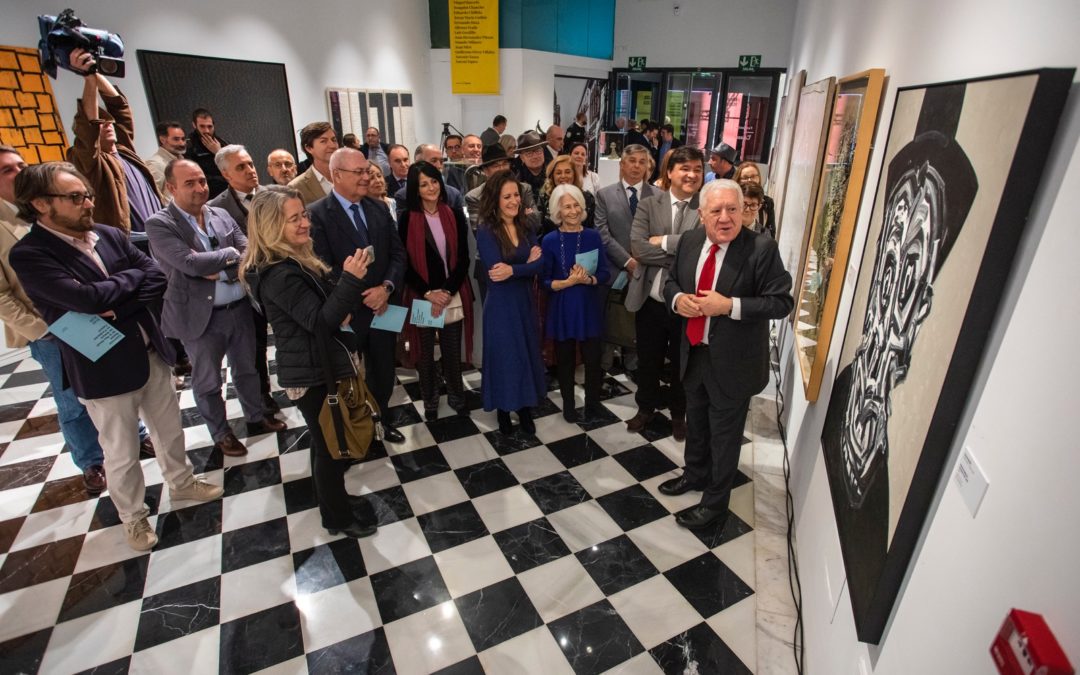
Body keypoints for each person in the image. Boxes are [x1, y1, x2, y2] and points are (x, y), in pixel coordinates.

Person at [11, 162, 222, 551]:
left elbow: (155, 276)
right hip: (102, 364)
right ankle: (134, 517)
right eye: (75, 197)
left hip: (149, 350)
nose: (87, 203)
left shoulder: (107, 233)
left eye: (87, 194)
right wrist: (119, 290)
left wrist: (113, 301)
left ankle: (183, 483)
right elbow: (84, 299)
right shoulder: (30, 254)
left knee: (170, 429)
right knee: (121, 450)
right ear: (41, 204)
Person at [242, 185, 378, 539]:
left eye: (304, 215)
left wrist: (341, 299)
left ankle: (336, 503)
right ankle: (336, 518)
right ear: (272, 226)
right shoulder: (279, 273)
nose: (305, 223)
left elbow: (324, 310)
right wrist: (350, 281)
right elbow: (320, 322)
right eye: (294, 219)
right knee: (330, 450)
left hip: (320, 364)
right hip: (312, 373)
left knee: (328, 446)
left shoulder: (295, 260)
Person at [661, 179, 793, 530]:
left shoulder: (761, 249)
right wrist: (678, 301)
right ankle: (694, 474)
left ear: (743, 212)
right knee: (697, 423)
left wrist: (728, 305)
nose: (725, 218)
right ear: (701, 214)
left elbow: (781, 302)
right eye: (716, 210)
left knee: (725, 436)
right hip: (694, 353)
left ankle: (715, 504)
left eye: (732, 209)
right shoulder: (690, 241)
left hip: (733, 363)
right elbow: (670, 282)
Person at [146, 159, 285, 458]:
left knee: (247, 369)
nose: (200, 188)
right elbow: (189, 263)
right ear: (171, 188)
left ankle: (255, 416)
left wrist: (222, 266)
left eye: (202, 181)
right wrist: (230, 257)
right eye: (190, 183)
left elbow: (250, 250)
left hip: (239, 308)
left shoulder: (220, 214)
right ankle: (221, 433)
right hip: (199, 318)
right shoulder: (159, 224)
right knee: (208, 381)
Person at [0, 146, 114, 494]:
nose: (19, 171)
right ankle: (91, 461)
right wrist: (44, 330)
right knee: (72, 398)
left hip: (89, 314)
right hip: (49, 328)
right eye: (7, 169)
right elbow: (2, 296)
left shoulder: (51, 210)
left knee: (114, 381)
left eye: (21, 164)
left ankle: (136, 435)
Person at [310, 148, 408, 443]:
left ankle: (383, 419)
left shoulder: (378, 208)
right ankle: (354, 429)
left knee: (384, 367)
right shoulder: (317, 214)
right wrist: (354, 299)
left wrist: (386, 288)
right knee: (349, 374)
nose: (367, 177)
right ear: (336, 175)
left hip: (384, 305)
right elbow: (323, 268)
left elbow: (398, 254)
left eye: (368, 171)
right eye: (359, 172)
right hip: (349, 312)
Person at [627, 146, 705, 442]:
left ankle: (678, 414)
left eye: (697, 169)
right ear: (669, 172)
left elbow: (700, 252)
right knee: (648, 359)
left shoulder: (705, 207)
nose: (692, 175)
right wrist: (678, 251)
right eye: (685, 168)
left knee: (682, 363)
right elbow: (638, 248)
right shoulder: (649, 204)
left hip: (687, 302)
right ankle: (645, 408)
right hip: (651, 298)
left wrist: (662, 242)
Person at [398, 162, 474, 421]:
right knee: (425, 353)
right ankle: (430, 400)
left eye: (433, 181)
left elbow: (464, 259)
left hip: (451, 294)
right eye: (423, 184)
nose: (430, 187)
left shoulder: (453, 214)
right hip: (422, 297)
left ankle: (456, 395)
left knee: (453, 352)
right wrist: (429, 292)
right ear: (415, 189)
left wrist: (447, 290)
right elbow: (404, 263)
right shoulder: (407, 218)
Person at [475, 171, 545, 435]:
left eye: (516, 195)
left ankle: (524, 408)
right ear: (495, 200)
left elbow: (542, 263)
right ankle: (504, 410)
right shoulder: (486, 230)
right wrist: (526, 265)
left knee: (525, 354)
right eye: (507, 196)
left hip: (524, 303)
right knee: (506, 358)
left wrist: (515, 270)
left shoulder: (527, 225)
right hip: (501, 307)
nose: (514, 201)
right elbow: (496, 273)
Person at [65, 48, 162, 234]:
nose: (108, 125)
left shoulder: (124, 150)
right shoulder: (91, 164)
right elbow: (88, 126)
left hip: (160, 235)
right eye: (102, 124)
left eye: (110, 122)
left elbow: (119, 106)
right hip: (131, 241)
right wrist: (88, 80)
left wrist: (94, 72)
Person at [541, 184, 608, 422]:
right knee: (566, 360)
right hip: (562, 307)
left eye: (576, 205)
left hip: (589, 305)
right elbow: (545, 282)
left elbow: (605, 274)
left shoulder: (593, 236)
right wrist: (568, 282)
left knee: (592, 359)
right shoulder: (548, 240)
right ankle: (568, 406)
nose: (572, 211)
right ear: (557, 210)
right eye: (567, 206)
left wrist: (588, 279)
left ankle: (593, 404)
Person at [595, 144, 659, 376]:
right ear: (622, 164)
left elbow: (661, 233)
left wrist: (641, 260)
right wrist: (627, 261)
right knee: (611, 317)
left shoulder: (658, 196)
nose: (636, 166)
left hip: (647, 269)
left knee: (638, 319)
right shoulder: (605, 195)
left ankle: (633, 363)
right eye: (632, 161)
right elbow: (602, 233)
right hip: (615, 268)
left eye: (642, 162)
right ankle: (604, 364)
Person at [537, 155, 595, 236]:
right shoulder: (544, 197)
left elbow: (591, 228)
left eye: (568, 172)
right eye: (558, 173)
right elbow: (540, 230)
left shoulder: (587, 198)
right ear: (552, 176)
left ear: (574, 174)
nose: (563, 176)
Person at [290, 122, 339, 205]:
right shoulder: (296, 187)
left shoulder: (351, 175)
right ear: (309, 148)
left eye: (334, 140)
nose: (332, 145)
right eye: (323, 141)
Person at [185, 108, 230, 198]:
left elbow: (234, 167)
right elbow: (195, 177)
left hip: (230, 192)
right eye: (202, 126)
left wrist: (219, 152)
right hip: (207, 196)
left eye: (209, 126)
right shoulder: (188, 147)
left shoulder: (223, 143)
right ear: (194, 125)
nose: (206, 131)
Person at [144, 121, 186, 201]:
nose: (182, 143)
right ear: (162, 140)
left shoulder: (181, 159)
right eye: (176, 139)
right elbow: (152, 197)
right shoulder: (155, 163)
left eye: (183, 139)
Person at [734, 161, 775, 238]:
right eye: (745, 177)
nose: (750, 180)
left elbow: (771, 231)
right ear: (738, 180)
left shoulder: (767, 202)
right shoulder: (730, 199)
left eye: (753, 176)